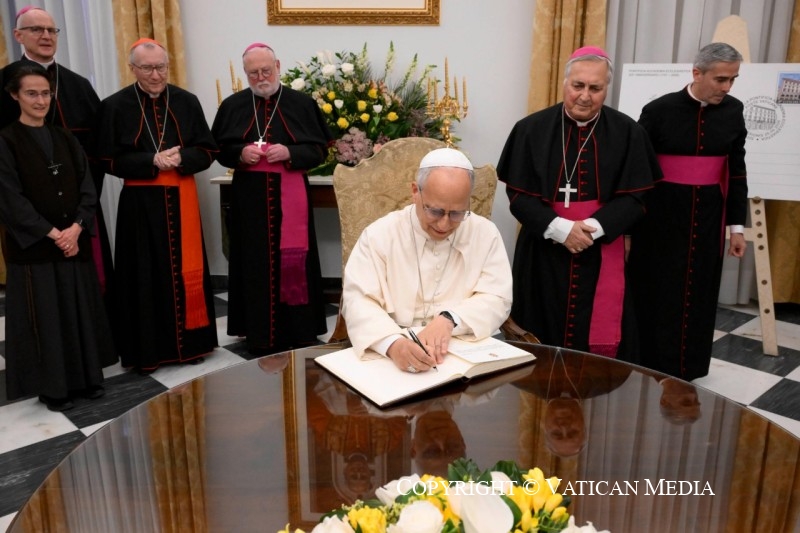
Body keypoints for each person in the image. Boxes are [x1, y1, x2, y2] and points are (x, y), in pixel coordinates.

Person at [496, 46, 658, 360]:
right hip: (543, 250)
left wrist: (593, 229)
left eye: (595, 88)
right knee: (537, 334)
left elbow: (637, 196)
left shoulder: (628, 133)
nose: (585, 95)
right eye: (578, 86)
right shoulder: (531, 129)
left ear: (606, 89)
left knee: (598, 346)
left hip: (601, 249)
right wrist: (560, 229)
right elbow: (519, 197)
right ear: (565, 83)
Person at [94, 38, 218, 373]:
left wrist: (181, 157)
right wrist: (151, 160)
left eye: (161, 67)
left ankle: (192, 346)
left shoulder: (186, 102)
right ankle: (147, 352)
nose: (155, 74)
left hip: (182, 199)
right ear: (132, 68)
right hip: (140, 206)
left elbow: (208, 151)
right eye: (147, 67)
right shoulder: (115, 105)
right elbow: (107, 159)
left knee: (183, 273)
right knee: (144, 277)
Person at [628, 43, 748, 381]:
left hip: (710, 216)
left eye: (733, 80)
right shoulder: (658, 110)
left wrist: (736, 227)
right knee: (657, 289)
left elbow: (736, 171)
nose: (727, 88)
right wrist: (628, 228)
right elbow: (637, 171)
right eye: (721, 79)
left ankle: (690, 365)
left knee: (700, 290)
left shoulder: (734, 110)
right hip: (660, 216)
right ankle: (648, 362)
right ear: (697, 73)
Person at [0, 65, 116, 411]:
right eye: (32, 93)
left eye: (45, 93)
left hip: (72, 241)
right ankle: (54, 388)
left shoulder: (65, 137)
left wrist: (77, 227)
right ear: (14, 96)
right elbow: (9, 198)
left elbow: (87, 187)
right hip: (35, 247)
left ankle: (87, 378)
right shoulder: (5, 140)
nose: (40, 100)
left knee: (79, 310)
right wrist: (52, 233)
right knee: (47, 316)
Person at [341, 147, 513, 373]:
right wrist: (393, 345)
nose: (444, 225)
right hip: (392, 346)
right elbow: (358, 300)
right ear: (415, 191)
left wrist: (449, 319)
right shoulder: (380, 234)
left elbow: (498, 297)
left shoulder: (485, 233)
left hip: (462, 348)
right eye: (435, 211)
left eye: (457, 214)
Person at [211, 43, 332, 355]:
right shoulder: (234, 105)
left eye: (266, 70)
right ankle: (257, 331)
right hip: (249, 200)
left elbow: (320, 150)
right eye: (254, 73)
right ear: (246, 74)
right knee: (252, 261)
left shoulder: (301, 104)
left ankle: (301, 329)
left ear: (278, 66)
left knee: (298, 261)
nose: (261, 77)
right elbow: (217, 150)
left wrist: (290, 151)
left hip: (291, 197)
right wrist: (240, 152)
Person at [0, 6, 114, 301]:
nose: (46, 36)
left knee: (89, 287)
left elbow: (100, 149)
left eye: (51, 30)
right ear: (18, 35)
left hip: (78, 208)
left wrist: (82, 213)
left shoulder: (79, 85)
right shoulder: (3, 85)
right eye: (37, 29)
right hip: (27, 211)